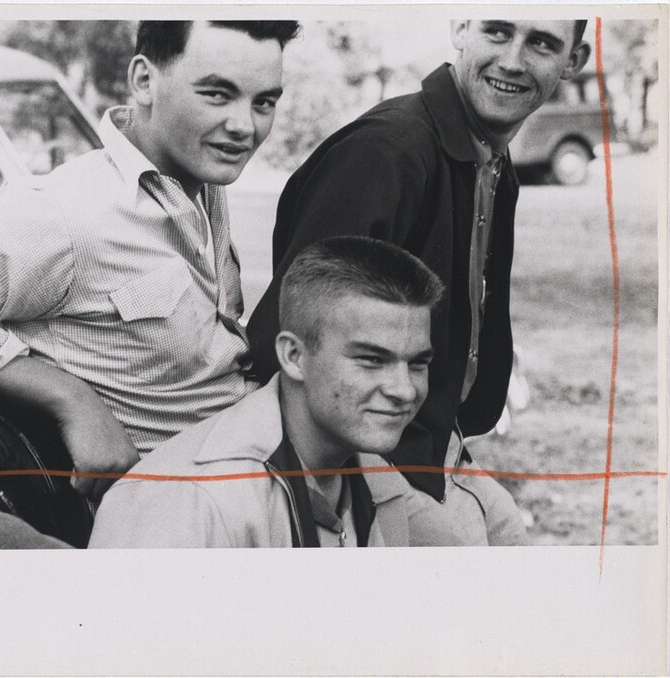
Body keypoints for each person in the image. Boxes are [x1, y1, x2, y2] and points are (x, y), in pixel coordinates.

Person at [0, 20, 300, 503]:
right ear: (143, 80)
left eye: (264, 101)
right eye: (217, 94)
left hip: (252, 471)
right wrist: (71, 400)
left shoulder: (203, 182)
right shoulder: (64, 211)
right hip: (168, 506)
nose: (245, 126)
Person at [246, 20, 590, 544]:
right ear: (461, 28)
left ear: (574, 60)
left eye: (542, 42)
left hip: (431, 446)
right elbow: (286, 339)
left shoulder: (490, 159)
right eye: (497, 32)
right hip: (362, 461)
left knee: (512, 546)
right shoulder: (389, 151)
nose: (514, 61)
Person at [89, 237, 444, 548]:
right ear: (293, 356)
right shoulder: (189, 502)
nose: (404, 389)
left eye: (417, 363)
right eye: (371, 360)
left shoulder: (376, 478)